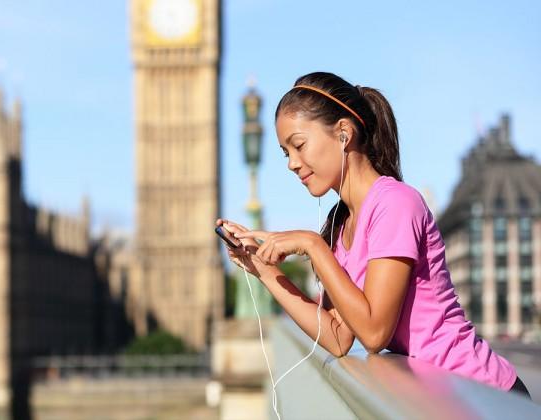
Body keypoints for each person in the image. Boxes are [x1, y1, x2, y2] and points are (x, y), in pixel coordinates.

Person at [217, 71, 531, 399]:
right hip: (437, 397)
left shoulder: (396, 203)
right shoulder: (342, 224)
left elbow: (375, 333)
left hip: (485, 394)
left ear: (343, 133)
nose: (292, 164)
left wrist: (312, 245)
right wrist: (264, 271)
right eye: (286, 153)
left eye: (299, 145)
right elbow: (338, 337)